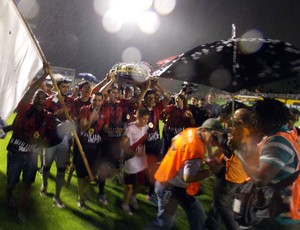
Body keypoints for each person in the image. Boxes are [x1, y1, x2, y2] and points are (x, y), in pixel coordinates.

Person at [230, 98, 300, 229]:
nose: (255, 124)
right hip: (285, 209)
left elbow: (260, 179)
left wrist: (238, 151)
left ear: (270, 120)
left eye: (257, 119)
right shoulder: (289, 136)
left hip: (277, 215)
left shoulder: (277, 141)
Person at [148, 118, 225, 229]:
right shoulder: (195, 149)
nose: (216, 140)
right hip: (170, 187)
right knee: (164, 224)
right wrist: (211, 171)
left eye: (218, 137)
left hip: (170, 180)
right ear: (203, 130)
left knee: (198, 217)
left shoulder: (191, 131)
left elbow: (174, 140)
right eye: (214, 136)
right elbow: (188, 177)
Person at [5, 64, 56, 221]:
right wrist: (43, 77)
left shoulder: (46, 115)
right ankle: (8, 194)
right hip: (17, 152)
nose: (42, 100)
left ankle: (22, 210)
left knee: (27, 183)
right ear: (33, 99)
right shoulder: (24, 108)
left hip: (32, 155)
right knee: (12, 181)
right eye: (39, 98)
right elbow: (30, 91)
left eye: (43, 98)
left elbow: (53, 125)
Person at [206, 108, 259, 230]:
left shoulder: (244, 134)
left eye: (234, 118)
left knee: (222, 205)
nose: (231, 119)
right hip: (235, 174)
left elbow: (237, 151)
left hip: (232, 175)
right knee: (219, 202)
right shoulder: (247, 132)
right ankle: (212, 224)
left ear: (240, 121)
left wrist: (230, 144)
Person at [40, 77, 76, 208]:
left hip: (64, 139)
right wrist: (56, 113)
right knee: (46, 165)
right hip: (50, 138)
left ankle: (57, 196)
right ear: (57, 87)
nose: (65, 89)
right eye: (63, 87)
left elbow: (74, 116)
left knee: (61, 168)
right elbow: (43, 116)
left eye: (67, 87)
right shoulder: (50, 100)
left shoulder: (71, 101)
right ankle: (44, 185)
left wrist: (72, 120)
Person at [137, 78, 171, 204]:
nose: (151, 99)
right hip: (144, 144)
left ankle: (151, 193)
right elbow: (138, 101)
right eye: (149, 97)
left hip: (156, 143)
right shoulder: (141, 108)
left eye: (153, 97)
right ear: (145, 99)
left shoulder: (157, 108)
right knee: (143, 170)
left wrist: (157, 85)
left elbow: (167, 97)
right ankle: (136, 189)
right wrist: (146, 88)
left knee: (156, 168)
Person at [75, 92, 109, 210]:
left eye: (99, 100)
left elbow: (105, 128)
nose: (97, 102)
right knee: (81, 175)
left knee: (90, 175)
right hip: (83, 146)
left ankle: (84, 194)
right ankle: (81, 198)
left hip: (96, 148)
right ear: (91, 100)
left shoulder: (105, 112)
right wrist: (92, 118)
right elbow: (84, 127)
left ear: (102, 101)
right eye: (95, 100)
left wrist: (114, 131)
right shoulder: (84, 109)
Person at [120, 107, 150, 215]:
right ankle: (125, 204)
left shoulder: (146, 127)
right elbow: (123, 144)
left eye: (147, 119)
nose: (146, 121)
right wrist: (134, 153)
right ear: (137, 117)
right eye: (144, 119)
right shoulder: (130, 128)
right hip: (131, 160)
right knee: (129, 186)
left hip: (142, 161)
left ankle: (132, 196)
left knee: (146, 183)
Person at [65, 81, 91, 187]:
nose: (88, 89)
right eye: (85, 87)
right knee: (76, 160)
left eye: (89, 88)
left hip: (90, 135)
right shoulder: (76, 102)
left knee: (88, 159)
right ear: (80, 90)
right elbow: (72, 117)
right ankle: (69, 178)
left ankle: (85, 181)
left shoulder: (92, 102)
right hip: (78, 134)